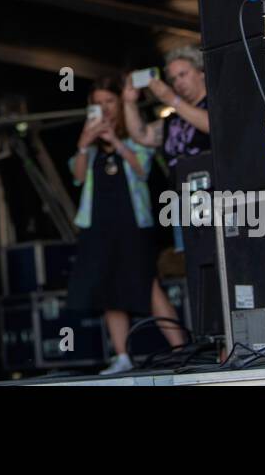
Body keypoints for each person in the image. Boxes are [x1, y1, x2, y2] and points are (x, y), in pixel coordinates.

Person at [65, 75, 189, 376]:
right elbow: (78, 177)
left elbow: (142, 168)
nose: (104, 109)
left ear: (119, 103)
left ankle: (181, 350)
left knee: (148, 286)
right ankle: (121, 355)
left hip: (133, 224)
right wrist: (84, 143)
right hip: (98, 225)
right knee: (108, 289)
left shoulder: (135, 133)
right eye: (97, 104)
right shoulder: (90, 142)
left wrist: (116, 141)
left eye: (109, 102)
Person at [124, 45, 211, 254]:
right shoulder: (173, 118)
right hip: (182, 201)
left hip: (212, 197)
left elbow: (211, 125)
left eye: (183, 74)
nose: (178, 83)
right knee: (194, 266)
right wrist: (128, 103)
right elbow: (142, 135)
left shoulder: (214, 104)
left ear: (201, 72)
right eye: (173, 79)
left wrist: (171, 98)